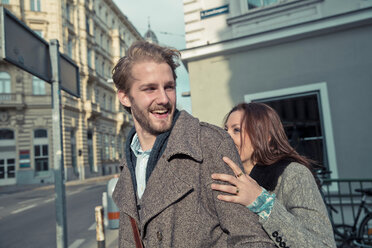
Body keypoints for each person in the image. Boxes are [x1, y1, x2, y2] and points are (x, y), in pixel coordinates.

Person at [111, 41, 276, 247]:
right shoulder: (130, 159)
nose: (163, 98)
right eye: (150, 89)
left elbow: (250, 238)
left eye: (169, 87)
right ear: (125, 97)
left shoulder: (209, 143)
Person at [211, 102, 337, 248]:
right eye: (225, 130)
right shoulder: (225, 179)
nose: (226, 137)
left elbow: (322, 245)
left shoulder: (293, 174)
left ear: (266, 136)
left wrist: (263, 203)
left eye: (236, 130)